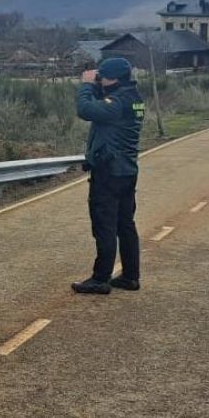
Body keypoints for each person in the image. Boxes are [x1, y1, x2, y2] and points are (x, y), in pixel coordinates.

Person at [72, 57, 144, 295]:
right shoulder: (134, 98)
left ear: (112, 78)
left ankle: (100, 278)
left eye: (102, 76)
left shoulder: (117, 102)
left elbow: (85, 109)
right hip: (127, 170)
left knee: (105, 225)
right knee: (125, 224)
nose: (99, 79)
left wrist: (86, 85)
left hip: (109, 172)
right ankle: (130, 276)